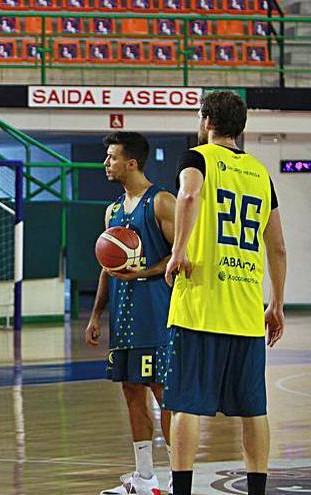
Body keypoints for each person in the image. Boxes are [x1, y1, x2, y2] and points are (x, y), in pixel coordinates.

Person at [164, 91, 287, 495]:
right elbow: (278, 247)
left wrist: (177, 252)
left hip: (200, 304)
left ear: (206, 119)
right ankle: (256, 489)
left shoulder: (197, 158)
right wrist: (277, 303)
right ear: (242, 126)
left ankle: (181, 488)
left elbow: (189, 194)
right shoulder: (260, 173)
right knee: (253, 409)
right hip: (247, 310)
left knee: (185, 403)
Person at [85, 132, 176, 495]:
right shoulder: (113, 210)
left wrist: (145, 272)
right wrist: (95, 315)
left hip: (155, 314)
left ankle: (176, 479)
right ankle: (144, 478)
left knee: (162, 393)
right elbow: (106, 267)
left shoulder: (162, 202)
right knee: (131, 391)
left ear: (132, 162)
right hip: (123, 317)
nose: (106, 163)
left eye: (111, 157)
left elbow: (181, 257)